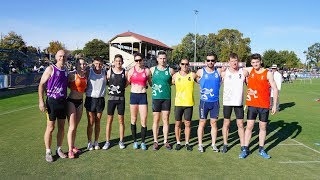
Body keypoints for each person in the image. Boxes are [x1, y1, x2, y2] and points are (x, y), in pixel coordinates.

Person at [240, 53, 278, 159]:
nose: (255, 64)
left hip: (264, 105)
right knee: (249, 126)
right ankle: (245, 149)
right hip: (252, 104)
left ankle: (261, 149)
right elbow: (241, 70)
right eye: (253, 62)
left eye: (257, 62)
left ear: (261, 61)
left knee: (263, 127)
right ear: (251, 63)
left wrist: (274, 105)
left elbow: (275, 89)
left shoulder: (268, 73)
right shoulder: (250, 70)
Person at [38, 50, 68, 162]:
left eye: (64, 56)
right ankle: (48, 151)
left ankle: (59, 149)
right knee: (50, 128)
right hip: (52, 102)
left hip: (63, 102)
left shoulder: (66, 70)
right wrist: (41, 101)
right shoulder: (50, 69)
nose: (62, 58)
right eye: (60, 56)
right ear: (56, 57)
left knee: (61, 127)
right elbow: (41, 85)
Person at [220, 53, 248, 154]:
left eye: (235, 61)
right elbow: (217, 85)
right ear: (229, 62)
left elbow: (250, 85)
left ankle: (243, 145)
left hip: (238, 103)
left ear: (238, 61)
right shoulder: (224, 73)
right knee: (226, 123)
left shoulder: (244, 72)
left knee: (240, 124)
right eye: (232, 61)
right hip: (227, 102)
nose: (234, 63)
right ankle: (225, 144)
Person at [197, 52, 222, 153]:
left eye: (212, 60)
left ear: (215, 61)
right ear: (205, 61)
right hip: (204, 102)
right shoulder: (200, 72)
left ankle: (213, 144)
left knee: (214, 123)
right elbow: (194, 78)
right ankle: (200, 144)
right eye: (208, 60)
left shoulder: (219, 71)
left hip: (215, 102)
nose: (210, 62)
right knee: (202, 122)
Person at [150, 51, 175, 150]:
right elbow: (149, 81)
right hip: (156, 98)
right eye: (160, 58)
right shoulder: (152, 70)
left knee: (165, 120)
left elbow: (174, 81)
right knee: (156, 119)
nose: (162, 60)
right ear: (157, 59)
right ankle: (155, 141)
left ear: (166, 59)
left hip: (166, 98)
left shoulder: (170, 70)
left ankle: (165, 141)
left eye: (164, 58)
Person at [102, 54, 128, 150]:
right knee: (109, 121)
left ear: (122, 62)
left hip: (121, 99)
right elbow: (106, 81)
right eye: (116, 61)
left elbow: (126, 83)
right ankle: (107, 141)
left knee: (121, 120)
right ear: (114, 62)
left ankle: (121, 141)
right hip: (111, 100)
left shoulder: (125, 72)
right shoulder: (109, 72)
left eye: (120, 61)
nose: (118, 62)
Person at [127, 53, 152, 150]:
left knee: (143, 120)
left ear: (143, 60)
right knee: (133, 119)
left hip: (143, 96)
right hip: (133, 96)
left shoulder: (147, 71)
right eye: (136, 60)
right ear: (134, 61)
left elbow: (150, 83)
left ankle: (143, 142)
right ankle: (135, 141)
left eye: (140, 60)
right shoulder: (130, 71)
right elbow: (126, 83)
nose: (138, 62)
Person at [172, 58, 197, 151]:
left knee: (187, 124)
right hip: (178, 103)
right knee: (178, 124)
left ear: (188, 65)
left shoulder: (193, 75)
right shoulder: (175, 76)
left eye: (186, 64)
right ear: (180, 65)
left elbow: (202, 82)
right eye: (183, 64)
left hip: (189, 103)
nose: (184, 66)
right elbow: (169, 83)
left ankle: (187, 143)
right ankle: (178, 142)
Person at [66, 58, 87, 158]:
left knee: (75, 126)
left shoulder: (86, 75)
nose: (82, 66)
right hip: (71, 101)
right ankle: (70, 150)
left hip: (80, 102)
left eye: (84, 64)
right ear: (76, 65)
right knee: (72, 126)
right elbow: (64, 84)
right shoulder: (72, 75)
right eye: (80, 64)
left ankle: (73, 146)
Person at [85, 57, 107, 151]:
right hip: (90, 99)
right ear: (93, 63)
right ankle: (89, 142)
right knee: (91, 122)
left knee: (98, 122)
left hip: (100, 99)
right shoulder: (89, 72)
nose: (98, 65)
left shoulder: (104, 73)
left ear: (102, 64)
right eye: (96, 63)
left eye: (100, 64)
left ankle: (96, 141)